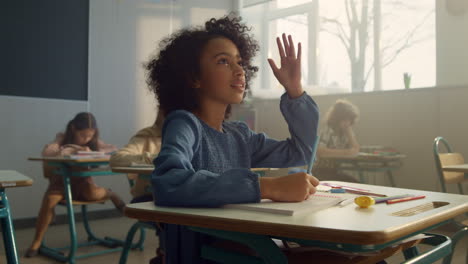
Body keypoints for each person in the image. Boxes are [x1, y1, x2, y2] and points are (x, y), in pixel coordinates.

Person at [145, 14, 319, 263]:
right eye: (224, 61)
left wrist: (294, 90)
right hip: (205, 254)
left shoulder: (239, 135)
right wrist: (268, 187)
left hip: (245, 243)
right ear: (194, 77)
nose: (239, 71)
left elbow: (302, 151)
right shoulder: (185, 123)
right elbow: (167, 182)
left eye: (239, 62)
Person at [25, 112, 125, 258]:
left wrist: (94, 151)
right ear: (73, 128)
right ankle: (37, 241)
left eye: (90, 136)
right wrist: (71, 149)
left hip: (83, 183)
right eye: (83, 135)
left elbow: (114, 149)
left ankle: (111, 194)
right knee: (49, 201)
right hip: (60, 183)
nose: (86, 139)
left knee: (93, 194)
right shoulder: (62, 138)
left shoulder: (92, 142)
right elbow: (47, 153)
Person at [110, 110, 164, 203]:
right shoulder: (148, 136)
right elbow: (116, 159)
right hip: (150, 196)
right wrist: (157, 159)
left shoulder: (193, 137)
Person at [313, 99, 360, 182]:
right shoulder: (328, 130)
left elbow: (355, 150)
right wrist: (346, 153)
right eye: (345, 119)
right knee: (351, 183)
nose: (348, 123)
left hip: (335, 171)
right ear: (337, 118)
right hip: (321, 171)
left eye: (349, 120)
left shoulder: (344, 133)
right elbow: (320, 151)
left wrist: (349, 133)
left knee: (355, 183)